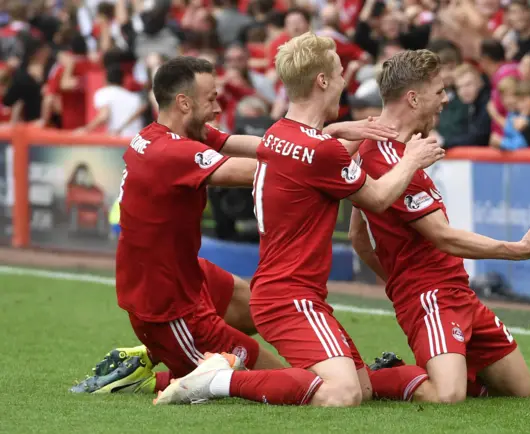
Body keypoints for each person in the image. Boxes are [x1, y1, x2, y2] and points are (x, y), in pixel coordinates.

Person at [70, 55, 399, 395]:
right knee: (272, 374)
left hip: (184, 274)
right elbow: (274, 171)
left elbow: (271, 149)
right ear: (184, 103)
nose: (217, 108)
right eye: (211, 99)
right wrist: (326, 149)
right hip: (166, 307)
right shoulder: (173, 153)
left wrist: (319, 137)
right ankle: (151, 377)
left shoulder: (166, 134)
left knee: (256, 305)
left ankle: (151, 355)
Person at [154, 33, 445, 407]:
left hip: (286, 291)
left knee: (365, 388)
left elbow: (314, 154)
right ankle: (219, 379)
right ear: (322, 80)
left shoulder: (280, 133)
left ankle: (169, 377)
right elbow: (377, 198)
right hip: (289, 296)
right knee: (342, 395)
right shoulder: (317, 148)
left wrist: (340, 131)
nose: (344, 82)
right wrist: (411, 158)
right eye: (339, 73)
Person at [348, 49, 530, 404]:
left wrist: (396, 281)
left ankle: (447, 363)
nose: (445, 100)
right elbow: (442, 236)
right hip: (430, 295)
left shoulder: (385, 149)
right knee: (447, 395)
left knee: (519, 389)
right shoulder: (384, 157)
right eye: (439, 91)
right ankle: (370, 379)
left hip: (457, 291)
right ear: (413, 98)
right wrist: (517, 251)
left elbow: (358, 237)